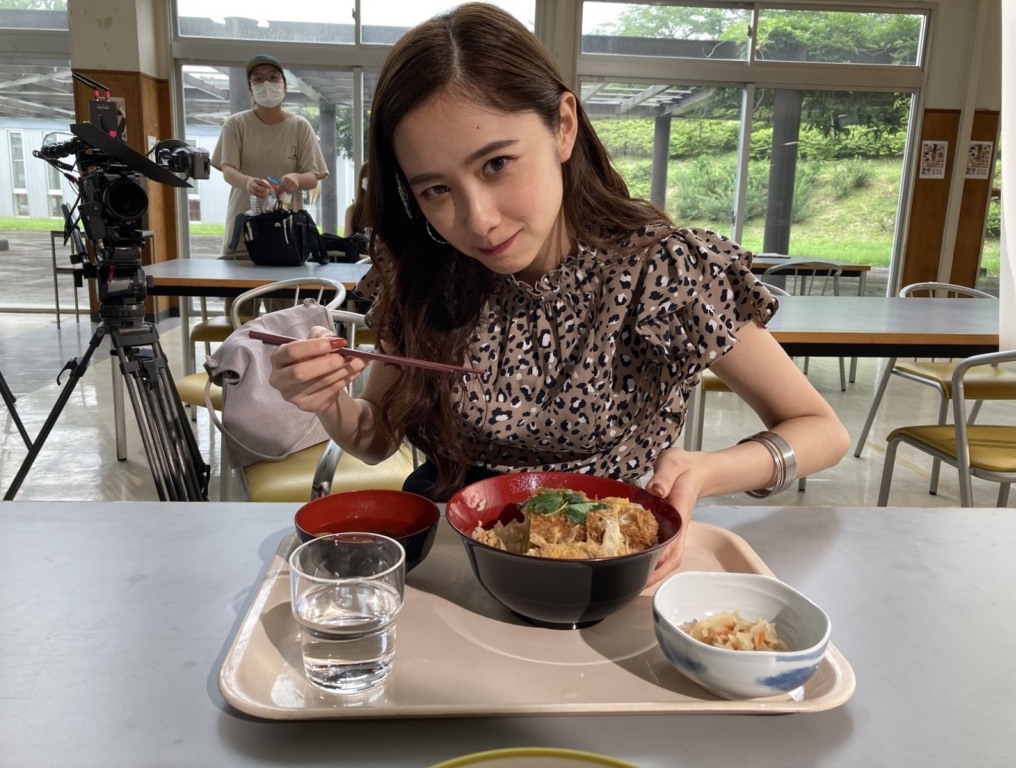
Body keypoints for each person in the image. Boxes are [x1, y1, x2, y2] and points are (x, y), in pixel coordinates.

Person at [268, 3, 850, 581]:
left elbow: (821, 429)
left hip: (604, 555)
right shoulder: (427, 271)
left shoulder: (663, 270)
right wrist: (330, 401)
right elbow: (376, 439)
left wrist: (706, 470)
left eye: (496, 163)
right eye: (436, 190)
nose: (479, 220)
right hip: (451, 552)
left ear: (563, 127)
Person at [211, 54, 329, 261]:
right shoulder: (236, 125)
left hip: (287, 234)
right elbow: (228, 170)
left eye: (273, 77)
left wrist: (296, 178)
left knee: (285, 281)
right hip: (246, 230)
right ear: (250, 90)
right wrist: (247, 182)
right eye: (258, 79)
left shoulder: (300, 127)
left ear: (285, 86)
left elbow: (313, 177)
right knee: (240, 279)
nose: (266, 84)